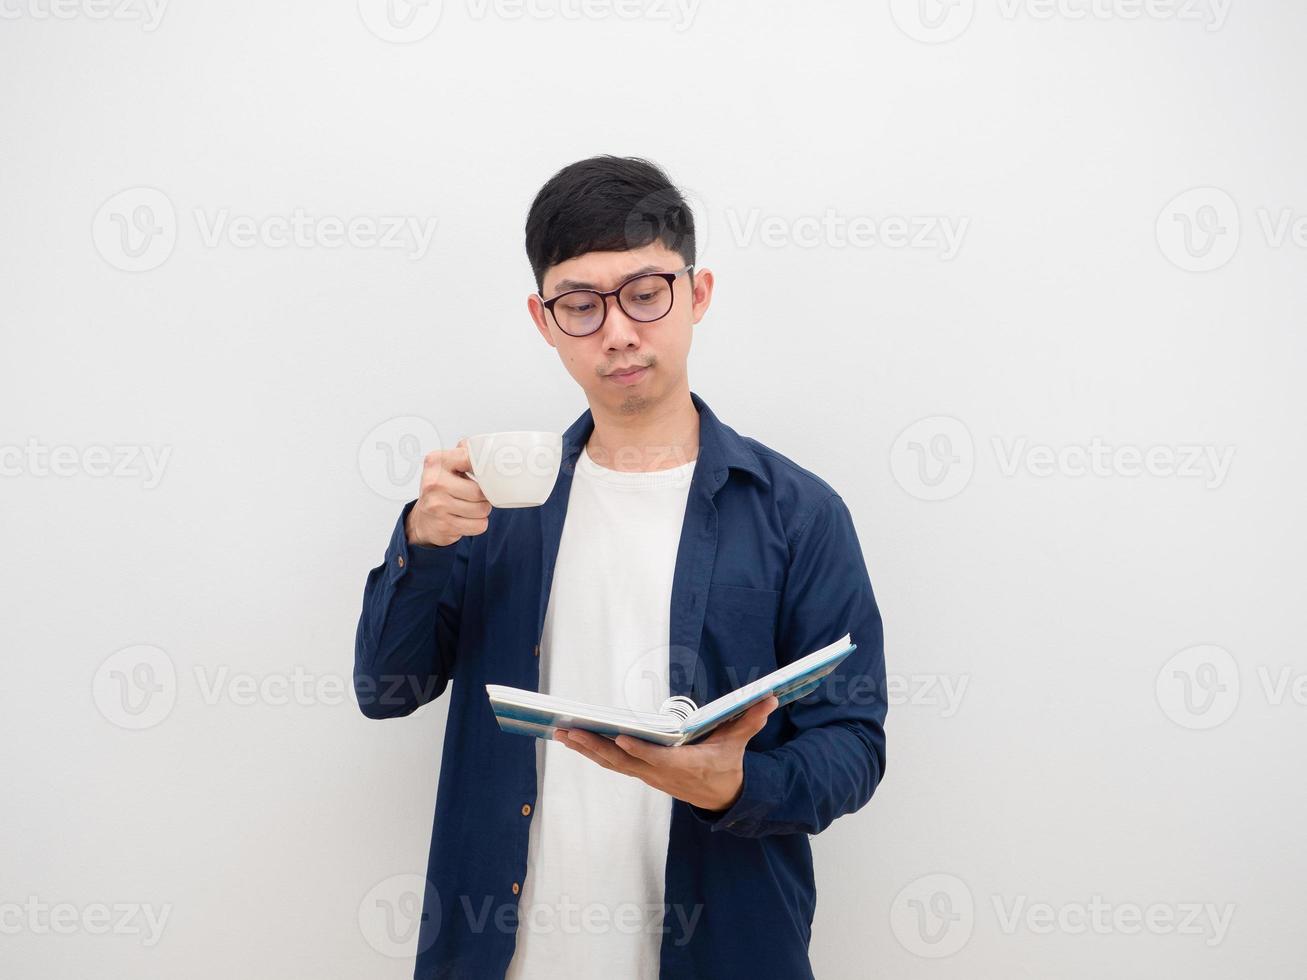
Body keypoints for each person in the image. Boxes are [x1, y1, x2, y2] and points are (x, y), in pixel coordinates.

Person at [353, 155, 888, 980]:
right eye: (580, 304)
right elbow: (385, 689)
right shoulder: (492, 507)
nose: (617, 330)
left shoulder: (795, 511)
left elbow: (853, 742)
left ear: (696, 293)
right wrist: (420, 545)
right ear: (543, 318)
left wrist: (736, 783)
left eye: (644, 293)